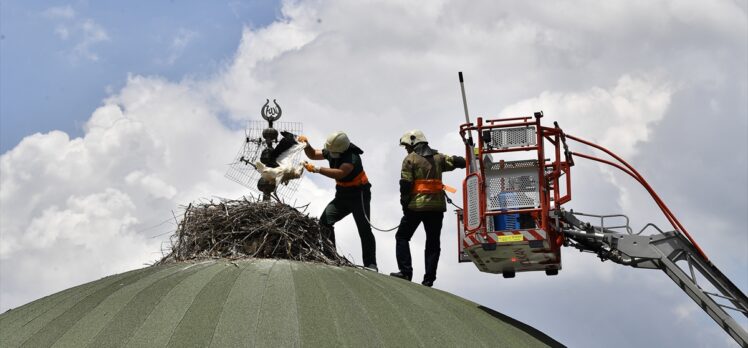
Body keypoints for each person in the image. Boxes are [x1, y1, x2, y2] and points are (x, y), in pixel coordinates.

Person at [389, 130, 466, 287]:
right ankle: (429, 279)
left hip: (415, 207)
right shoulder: (439, 158)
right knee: (433, 242)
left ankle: (405, 272)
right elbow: (458, 162)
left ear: (413, 143)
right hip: (436, 208)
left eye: (406, 146)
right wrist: (473, 156)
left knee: (402, 237)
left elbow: (405, 185)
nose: (406, 149)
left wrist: (404, 204)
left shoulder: (410, 159)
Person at [299, 131, 377, 271]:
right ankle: (331, 257)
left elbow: (340, 173)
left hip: (359, 195)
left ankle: (371, 264)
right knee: (325, 221)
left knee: (364, 228)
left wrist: (317, 169)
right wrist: (306, 145)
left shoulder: (352, 157)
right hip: (342, 195)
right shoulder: (332, 150)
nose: (329, 153)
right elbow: (312, 154)